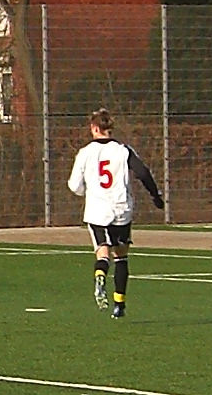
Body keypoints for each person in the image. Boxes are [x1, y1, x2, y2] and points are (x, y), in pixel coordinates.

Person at [65, 107, 164, 318]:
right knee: (121, 257)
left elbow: (74, 185)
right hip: (121, 210)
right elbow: (143, 173)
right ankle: (119, 304)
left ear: (94, 128)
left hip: (97, 211)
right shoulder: (123, 150)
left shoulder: (85, 153)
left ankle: (100, 273)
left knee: (103, 252)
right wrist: (155, 196)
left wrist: (87, 192)